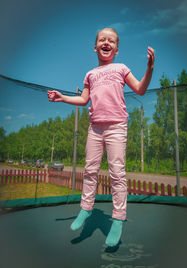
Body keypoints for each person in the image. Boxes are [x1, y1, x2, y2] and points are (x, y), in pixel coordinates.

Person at [48, 28, 155, 247]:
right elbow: (84, 100)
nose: (106, 42)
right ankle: (86, 209)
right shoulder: (90, 74)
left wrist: (150, 69)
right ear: (95, 47)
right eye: (102, 40)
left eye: (111, 40)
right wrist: (62, 98)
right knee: (90, 169)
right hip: (95, 128)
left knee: (117, 172)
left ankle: (117, 218)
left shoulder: (121, 67)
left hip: (116, 126)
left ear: (116, 49)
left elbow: (140, 90)